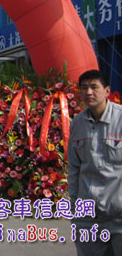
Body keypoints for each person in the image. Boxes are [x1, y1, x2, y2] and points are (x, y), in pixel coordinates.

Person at [68, 69, 122, 255]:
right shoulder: (78, 123)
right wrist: (74, 207)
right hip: (88, 217)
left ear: (107, 91)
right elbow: (74, 168)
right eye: (84, 88)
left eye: (94, 87)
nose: (88, 92)